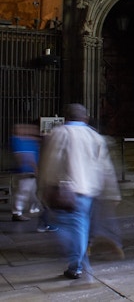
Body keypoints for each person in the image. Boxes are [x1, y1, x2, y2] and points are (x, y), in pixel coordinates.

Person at [38, 104, 120, 280]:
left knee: (65, 228)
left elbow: (51, 161)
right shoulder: (95, 136)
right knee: (80, 226)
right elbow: (106, 167)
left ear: (66, 117)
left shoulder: (59, 133)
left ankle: (77, 264)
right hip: (89, 191)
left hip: (66, 190)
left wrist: (44, 186)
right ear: (86, 118)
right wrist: (112, 192)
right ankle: (79, 263)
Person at [10, 122, 58, 232]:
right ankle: (17, 213)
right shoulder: (18, 140)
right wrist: (33, 167)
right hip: (26, 171)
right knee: (24, 192)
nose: (30, 130)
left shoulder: (30, 140)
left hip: (31, 171)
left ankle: (31, 211)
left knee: (31, 193)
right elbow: (23, 156)